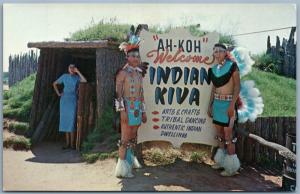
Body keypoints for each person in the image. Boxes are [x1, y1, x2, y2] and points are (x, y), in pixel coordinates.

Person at [114, 35, 147, 178]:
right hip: (127, 108)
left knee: (133, 137)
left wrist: (143, 111)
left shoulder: (139, 74)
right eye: (132, 55)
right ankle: (122, 168)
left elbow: (141, 93)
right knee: (125, 138)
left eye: (137, 56)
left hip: (137, 108)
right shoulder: (122, 73)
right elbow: (118, 95)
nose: (135, 58)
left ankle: (130, 162)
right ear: (127, 57)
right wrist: (122, 111)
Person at [207, 43, 241, 176]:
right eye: (215, 52)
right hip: (217, 104)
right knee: (220, 135)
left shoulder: (233, 66)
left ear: (225, 52)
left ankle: (232, 167)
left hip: (228, 104)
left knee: (228, 136)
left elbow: (237, 87)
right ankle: (221, 161)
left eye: (220, 51)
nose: (217, 54)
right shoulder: (214, 68)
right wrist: (210, 104)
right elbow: (214, 88)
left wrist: (232, 105)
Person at [53, 64, 87, 150]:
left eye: (73, 68)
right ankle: (67, 144)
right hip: (64, 100)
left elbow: (85, 80)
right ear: (68, 69)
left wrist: (78, 71)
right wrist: (58, 94)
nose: (71, 69)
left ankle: (72, 145)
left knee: (71, 122)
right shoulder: (64, 76)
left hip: (73, 100)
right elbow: (54, 83)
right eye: (70, 68)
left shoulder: (76, 77)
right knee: (65, 122)